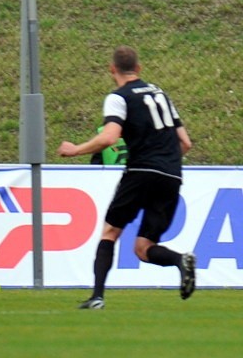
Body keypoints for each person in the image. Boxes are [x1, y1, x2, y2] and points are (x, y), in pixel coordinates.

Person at [57, 45, 194, 310]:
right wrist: (165, 159)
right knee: (144, 247)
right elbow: (185, 143)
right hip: (171, 175)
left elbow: (109, 137)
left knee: (110, 232)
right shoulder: (161, 94)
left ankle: (97, 297)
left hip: (141, 171)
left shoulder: (118, 97)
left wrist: (76, 150)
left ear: (112, 70)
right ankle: (181, 260)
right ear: (139, 69)